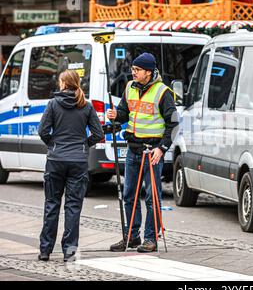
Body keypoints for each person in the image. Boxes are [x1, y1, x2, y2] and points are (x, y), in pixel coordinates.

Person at [107, 52, 178, 253]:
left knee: (151, 197)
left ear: (148, 72)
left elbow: (174, 124)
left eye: (137, 70)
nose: (133, 72)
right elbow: (123, 113)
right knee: (129, 194)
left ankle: (151, 238)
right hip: (133, 150)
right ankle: (131, 236)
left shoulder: (163, 92)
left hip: (151, 152)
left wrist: (162, 148)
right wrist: (116, 116)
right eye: (133, 69)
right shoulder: (129, 87)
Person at [38, 69, 104, 262]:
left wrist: (53, 144)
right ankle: (69, 250)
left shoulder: (53, 104)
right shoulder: (86, 106)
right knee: (73, 207)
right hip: (78, 161)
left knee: (52, 205)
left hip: (56, 160)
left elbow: (43, 131)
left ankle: (45, 250)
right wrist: (84, 145)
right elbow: (98, 134)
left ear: (63, 83)